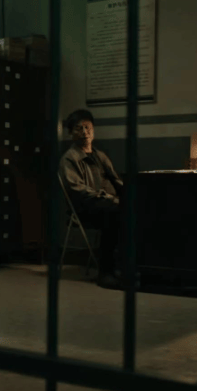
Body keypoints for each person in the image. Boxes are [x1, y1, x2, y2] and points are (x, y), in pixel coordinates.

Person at [58, 109, 124, 288]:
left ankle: (127, 268)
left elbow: (117, 181)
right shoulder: (69, 159)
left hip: (108, 203)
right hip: (86, 208)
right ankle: (105, 273)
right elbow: (77, 190)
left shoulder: (99, 155)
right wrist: (109, 199)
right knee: (114, 213)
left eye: (88, 127)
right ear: (71, 133)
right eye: (79, 128)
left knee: (134, 209)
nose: (85, 132)